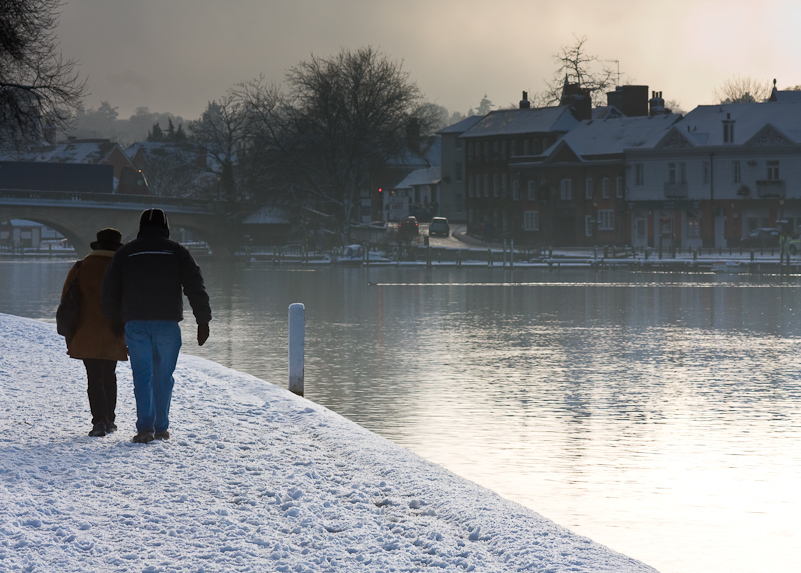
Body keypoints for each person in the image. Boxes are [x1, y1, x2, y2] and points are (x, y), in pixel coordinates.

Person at [102, 208, 211, 444]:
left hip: (136, 323)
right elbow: (195, 286)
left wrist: (114, 321)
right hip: (167, 323)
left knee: (142, 376)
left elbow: (110, 290)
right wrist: (203, 320)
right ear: (166, 227)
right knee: (163, 377)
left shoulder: (126, 252)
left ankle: (145, 428)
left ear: (141, 227)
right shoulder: (177, 252)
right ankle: (161, 427)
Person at [60, 228, 128, 437]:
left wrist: (69, 332)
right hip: (114, 331)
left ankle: (99, 421)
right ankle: (110, 419)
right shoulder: (122, 268)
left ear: (97, 246)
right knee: (109, 374)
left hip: (85, 329)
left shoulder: (81, 267)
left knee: (93, 376)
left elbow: (66, 300)